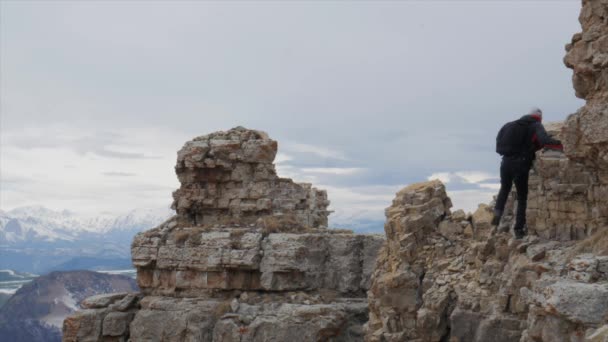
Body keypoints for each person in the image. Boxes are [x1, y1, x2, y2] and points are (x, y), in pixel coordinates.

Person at [492, 107, 563, 239]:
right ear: (539, 117)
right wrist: (561, 143)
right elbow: (544, 141)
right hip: (521, 164)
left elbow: (499, 143)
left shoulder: (509, 125)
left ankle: (496, 216)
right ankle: (519, 230)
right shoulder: (536, 125)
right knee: (522, 197)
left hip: (505, 163)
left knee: (504, 189)